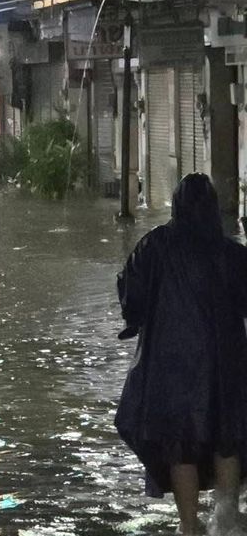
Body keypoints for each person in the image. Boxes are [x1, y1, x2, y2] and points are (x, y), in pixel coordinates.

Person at [116, 173, 247, 536]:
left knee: (180, 445)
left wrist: (135, 321)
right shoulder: (231, 254)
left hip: (171, 366)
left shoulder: (154, 246)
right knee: (227, 437)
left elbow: (131, 294)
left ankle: (189, 526)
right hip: (226, 365)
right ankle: (227, 519)